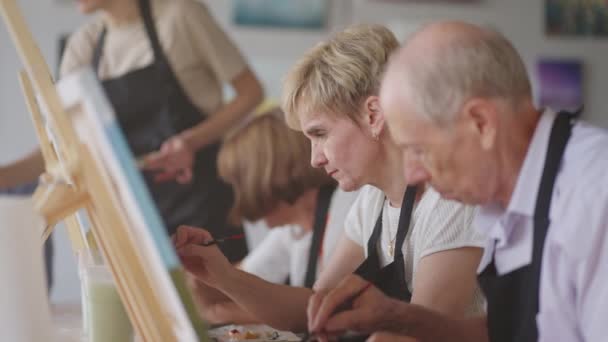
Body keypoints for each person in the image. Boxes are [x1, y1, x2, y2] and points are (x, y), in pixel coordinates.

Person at [174, 24, 486, 334]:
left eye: (320, 134)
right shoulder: (372, 200)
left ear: (373, 115)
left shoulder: (450, 200)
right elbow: (316, 304)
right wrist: (223, 276)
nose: (315, 158)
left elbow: (416, 335)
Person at [310, 21, 608, 342]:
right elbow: (508, 333)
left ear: (480, 123)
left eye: (419, 150)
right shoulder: (505, 197)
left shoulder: (593, 195)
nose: (412, 175)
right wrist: (398, 317)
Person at [1, 0, 264, 261]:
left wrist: (191, 142)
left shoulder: (180, 15)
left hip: (205, 209)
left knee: (217, 301)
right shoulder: (84, 46)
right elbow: (59, 148)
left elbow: (251, 92)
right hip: (137, 220)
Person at [183, 110, 358, 325]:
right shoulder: (292, 232)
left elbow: (321, 313)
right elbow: (241, 281)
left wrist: (220, 313)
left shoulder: (347, 212)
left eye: (238, 185)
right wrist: (195, 273)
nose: (236, 199)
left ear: (263, 177)